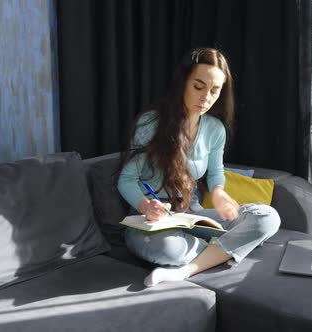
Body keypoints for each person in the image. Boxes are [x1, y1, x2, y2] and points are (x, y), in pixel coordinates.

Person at [117, 47, 281, 287]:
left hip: (190, 215)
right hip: (150, 220)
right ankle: (226, 249)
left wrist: (219, 193)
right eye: (199, 86)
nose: (206, 97)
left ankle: (184, 271)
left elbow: (215, 174)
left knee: (267, 218)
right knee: (168, 248)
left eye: (215, 90)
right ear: (184, 82)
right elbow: (127, 180)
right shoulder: (151, 123)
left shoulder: (215, 129)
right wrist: (146, 206)